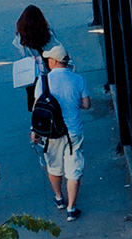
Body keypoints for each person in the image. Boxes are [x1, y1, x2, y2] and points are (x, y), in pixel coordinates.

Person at [35, 43, 92, 220]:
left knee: (54, 167)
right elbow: (86, 104)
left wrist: (34, 130)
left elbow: (37, 108)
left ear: (53, 61)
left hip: (51, 132)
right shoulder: (78, 79)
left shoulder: (43, 81)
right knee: (74, 170)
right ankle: (71, 208)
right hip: (73, 131)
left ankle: (59, 198)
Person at [13, 4, 62, 110]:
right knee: (55, 104)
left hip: (32, 77)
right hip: (50, 73)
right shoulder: (48, 34)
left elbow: (21, 56)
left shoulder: (20, 38)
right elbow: (57, 50)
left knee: (36, 106)